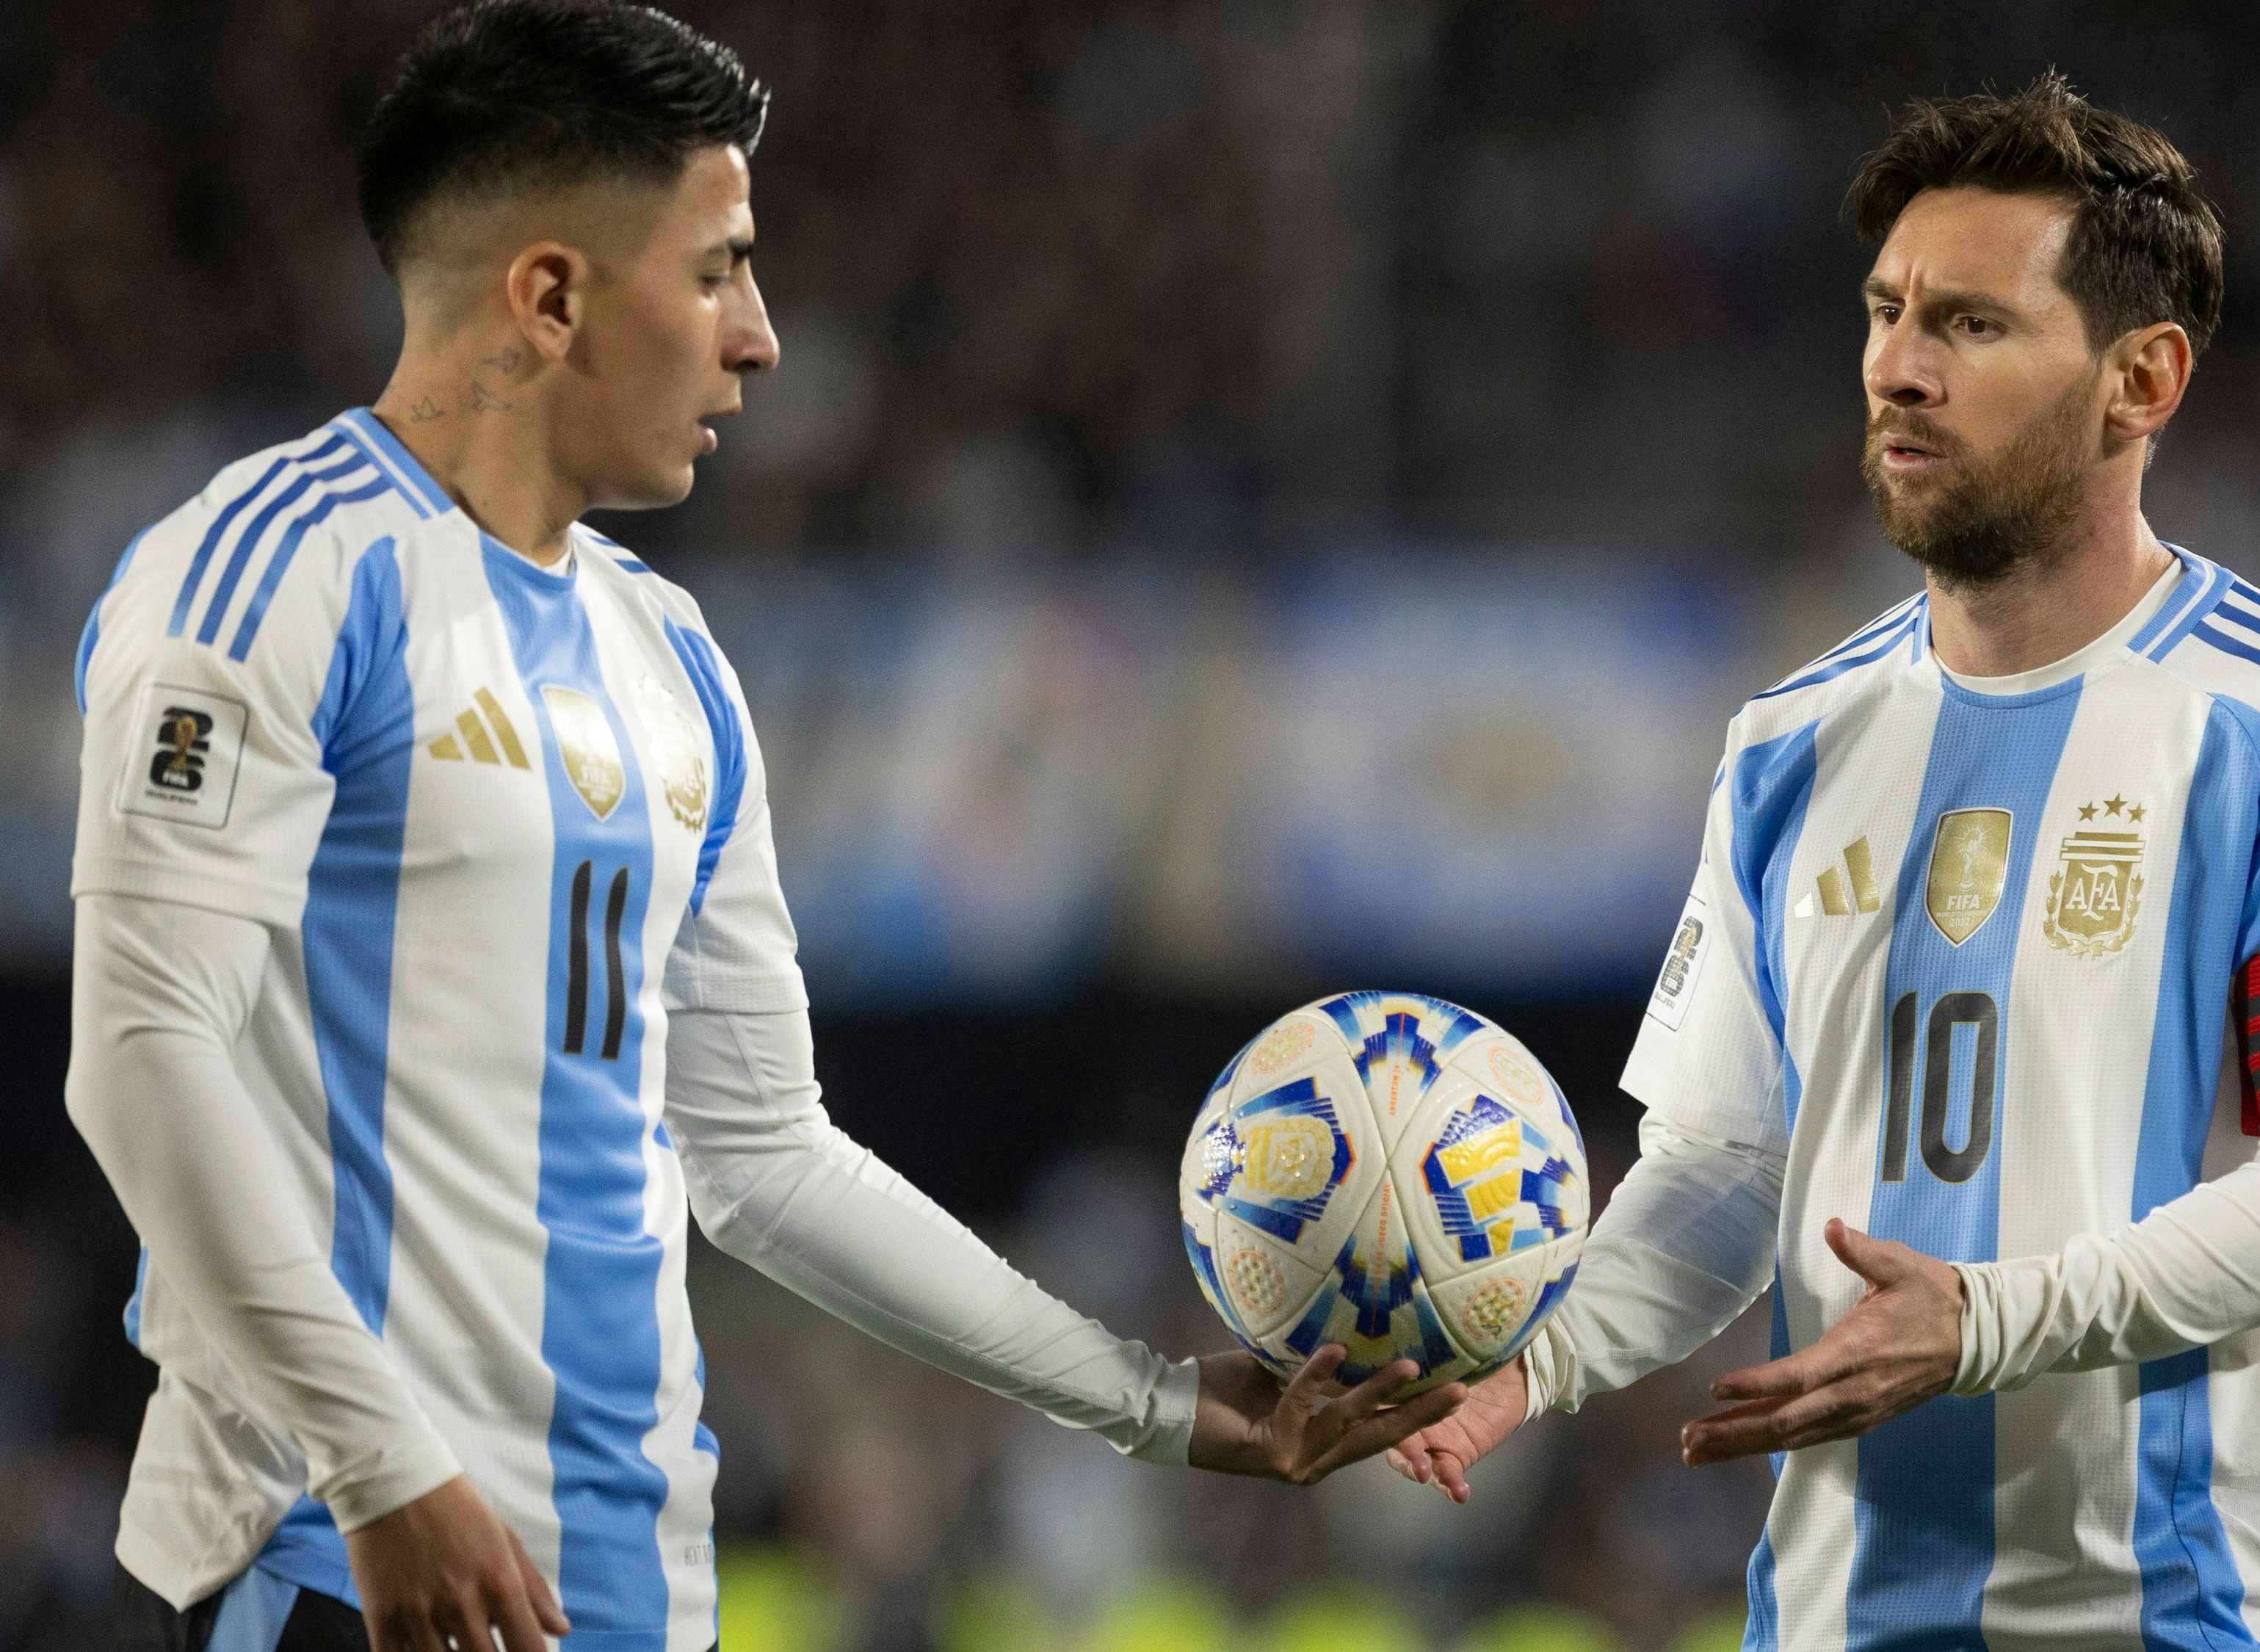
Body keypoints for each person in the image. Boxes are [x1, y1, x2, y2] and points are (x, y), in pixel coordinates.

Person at [65, 6, 1462, 1651]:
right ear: (550, 294)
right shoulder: (275, 573)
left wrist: (1156, 1403)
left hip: (642, 1595)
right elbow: (142, 1046)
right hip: (356, 1573)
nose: (763, 337)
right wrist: (383, 1471)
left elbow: (764, 1158)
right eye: (719, 268)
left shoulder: (668, 658)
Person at [1389, 74, 2260, 1652]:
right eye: (1885, 312)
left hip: (2167, 1619)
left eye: (1967, 326)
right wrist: (1530, 1356)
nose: (1894, 369)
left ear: (2139, 381)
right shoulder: (1787, 742)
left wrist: (1982, 1324)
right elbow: (1722, 1176)